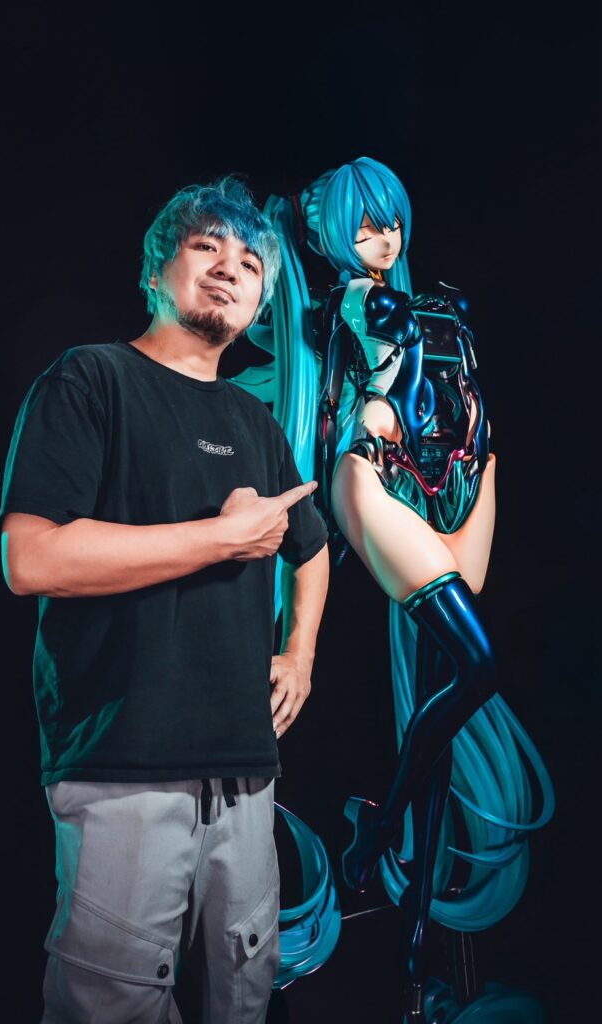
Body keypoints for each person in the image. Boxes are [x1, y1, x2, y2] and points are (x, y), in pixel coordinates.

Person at [0, 176, 330, 1024]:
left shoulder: (256, 424)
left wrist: (298, 655)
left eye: (249, 263)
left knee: (243, 996)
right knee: (111, 1005)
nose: (228, 268)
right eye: (205, 246)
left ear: (261, 302)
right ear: (155, 270)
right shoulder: (89, 379)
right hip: (122, 766)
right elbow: (31, 559)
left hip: (245, 772)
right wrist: (219, 539)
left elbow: (311, 545)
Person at [232, 157, 553, 1018]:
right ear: (333, 234)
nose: (382, 237)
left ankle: (416, 937)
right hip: (374, 477)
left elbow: (460, 388)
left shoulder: (432, 298)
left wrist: (480, 462)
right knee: (477, 667)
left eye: (390, 222)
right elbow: (367, 367)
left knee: (445, 700)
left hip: (456, 480)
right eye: (363, 225)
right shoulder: (350, 302)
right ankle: (378, 826)